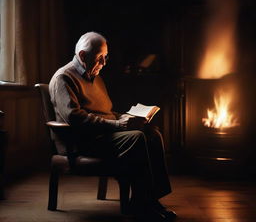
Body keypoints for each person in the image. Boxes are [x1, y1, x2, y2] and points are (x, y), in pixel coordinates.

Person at [49, 32, 177, 221]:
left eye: (105, 56)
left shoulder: (95, 76)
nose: (104, 62)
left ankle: (150, 199)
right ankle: (143, 204)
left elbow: (104, 111)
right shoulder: (64, 78)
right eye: (100, 57)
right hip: (82, 141)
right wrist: (118, 124)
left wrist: (125, 118)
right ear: (83, 56)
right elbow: (75, 119)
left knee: (152, 133)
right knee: (137, 138)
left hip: (104, 135)